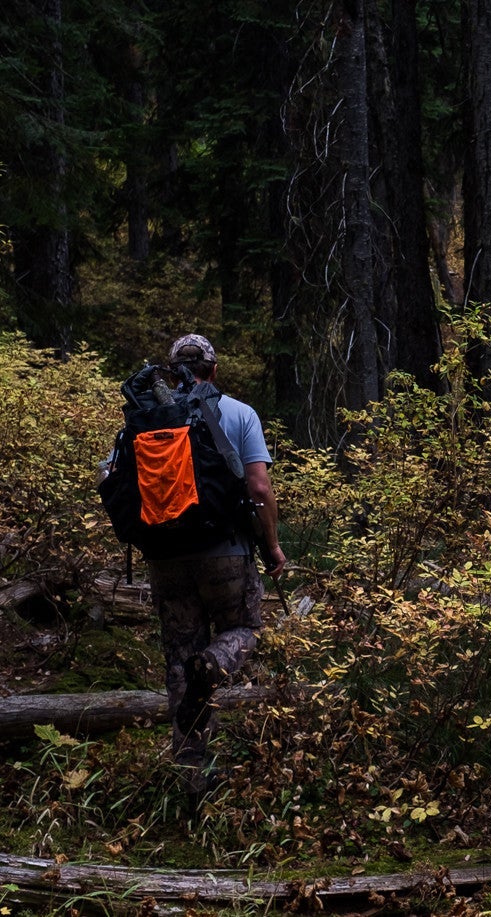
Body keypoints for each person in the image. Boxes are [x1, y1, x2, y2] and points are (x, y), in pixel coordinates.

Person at [141, 333, 287, 784]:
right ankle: (216, 662)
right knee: (244, 630)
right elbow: (259, 489)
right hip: (225, 552)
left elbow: (111, 477)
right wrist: (273, 546)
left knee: (179, 653)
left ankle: (189, 766)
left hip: (165, 557)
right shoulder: (240, 413)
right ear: (214, 369)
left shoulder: (147, 416)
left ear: (171, 370)